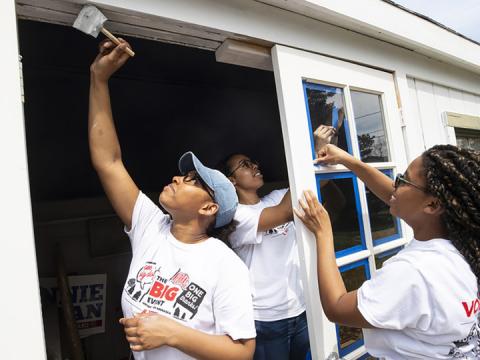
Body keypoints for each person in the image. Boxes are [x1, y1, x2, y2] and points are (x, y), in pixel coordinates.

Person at [88, 39, 256, 360]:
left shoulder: (225, 264)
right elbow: (107, 161)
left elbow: (243, 352)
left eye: (193, 180)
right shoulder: (151, 227)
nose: (178, 177)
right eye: (183, 174)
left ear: (209, 208)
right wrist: (99, 79)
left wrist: (171, 333)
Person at [294, 143, 480, 359]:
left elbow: (337, 307)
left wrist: (324, 234)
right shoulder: (463, 245)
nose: (395, 185)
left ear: (432, 205)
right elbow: (398, 196)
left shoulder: (413, 272)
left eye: (403, 180)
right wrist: (350, 161)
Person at [218, 154, 310, 360]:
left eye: (253, 161)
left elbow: (313, 183)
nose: (254, 165)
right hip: (266, 319)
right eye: (244, 165)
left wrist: (323, 148)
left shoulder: (276, 196)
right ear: (231, 180)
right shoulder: (237, 217)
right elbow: (285, 212)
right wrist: (305, 155)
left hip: (300, 309)